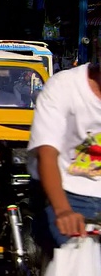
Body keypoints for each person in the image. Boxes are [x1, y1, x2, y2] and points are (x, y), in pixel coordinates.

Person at [27, 62, 101, 249]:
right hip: (67, 193)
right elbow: (47, 152)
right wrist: (63, 210)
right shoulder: (64, 86)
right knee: (79, 260)